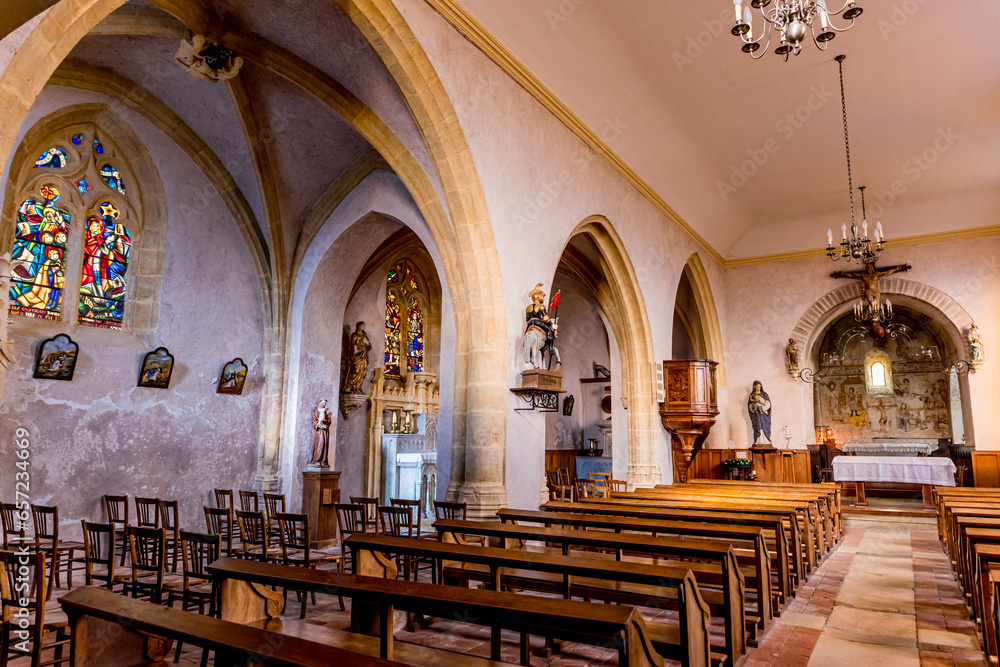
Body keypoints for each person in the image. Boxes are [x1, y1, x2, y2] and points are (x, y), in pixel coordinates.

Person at [342, 321, 371, 395]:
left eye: (364, 326)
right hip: (356, 356)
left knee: (361, 372)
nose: (364, 327)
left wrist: (367, 344)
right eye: (363, 325)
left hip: (363, 356)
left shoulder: (364, 335)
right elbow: (352, 345)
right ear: (359, 326)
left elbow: (369, 346)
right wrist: (356, 348)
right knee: (354, 370)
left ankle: (358, 388)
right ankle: (350, 388)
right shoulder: (354, 335)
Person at [308, 399, 332, 467]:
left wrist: (328, 420)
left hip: (325, 430)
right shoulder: (316, 411)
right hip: (319, 431)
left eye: (325, 403)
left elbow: (328, 421)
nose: (324, 404)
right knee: (319, 444)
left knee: (325, 445)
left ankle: (324, 460)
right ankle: (317, 460)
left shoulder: (326, 412)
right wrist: (318, 424)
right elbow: (313, 420)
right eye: (323, 403)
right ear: (320, 403)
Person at [747, 380, 772, 445]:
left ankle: (766, 440)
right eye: (757, 386)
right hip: (757, 415)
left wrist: (761, 406)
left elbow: (768, 404)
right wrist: (754, 406)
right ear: (754, 387)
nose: (758, 388)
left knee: (765, 426)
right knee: (758, 426)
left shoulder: (764, 394)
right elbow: (750, 406)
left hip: (763, 415)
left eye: (759, 386)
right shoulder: (752, 395)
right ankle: (758, 440)